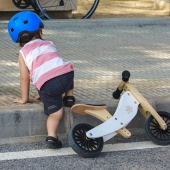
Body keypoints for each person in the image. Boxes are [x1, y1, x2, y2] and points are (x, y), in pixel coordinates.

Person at [8, 11, 75, 149]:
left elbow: (24, 78)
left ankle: (52, 137)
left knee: (56, 113)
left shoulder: (22, 54)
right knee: (67, 67)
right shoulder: (49, 43)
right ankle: (69, 97)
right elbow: (52, 66)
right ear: (39, 30)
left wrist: (24, 98)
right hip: (66, 76)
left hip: (48, 86)